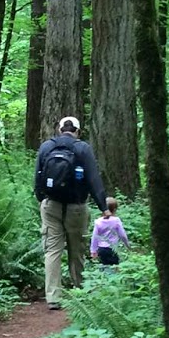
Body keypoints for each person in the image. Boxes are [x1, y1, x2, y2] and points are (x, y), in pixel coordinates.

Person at [33, 115, 107, 309]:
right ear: (77, 131)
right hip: (77, 207)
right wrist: (103, 207)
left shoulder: (46, 147)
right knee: (77, 249)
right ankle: (79, 290)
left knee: (52, 251)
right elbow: (93, 179)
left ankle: (53, 297)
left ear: (59, 129)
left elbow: (37, 177)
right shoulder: (83, 148)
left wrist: (42, 199)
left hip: (51, 205)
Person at [91, 197, 130, 268]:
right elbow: (122, 235)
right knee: (114, 267)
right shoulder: (116, 220)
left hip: (101, 249)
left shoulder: (98, 221)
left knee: (104, 267)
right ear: (114, 209)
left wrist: (93, 251)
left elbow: (94, 237)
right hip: (113, 248)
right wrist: (127, 245)